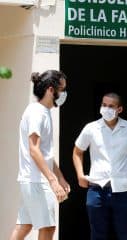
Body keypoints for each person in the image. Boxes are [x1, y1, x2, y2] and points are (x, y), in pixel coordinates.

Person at [72, 92, 127, 240]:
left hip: (124, 189)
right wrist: (80, 175)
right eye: (104, 105)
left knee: (125, 235)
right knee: (97, 235)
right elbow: (77, 151)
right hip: (97, 189)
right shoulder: (91, 128)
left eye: (111, 106)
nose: (106, 108)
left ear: (119, 109)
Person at [9, 70, 71, 240]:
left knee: (24, 225)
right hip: (37, 181)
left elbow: (45, 153)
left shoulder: (42, 112)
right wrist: (52, 180)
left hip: (33, 179)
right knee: (48, 227)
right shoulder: (37, 112)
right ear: (51, 90)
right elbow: (34, 150)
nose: (64, 93)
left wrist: (60, 177)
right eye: (62, 89)